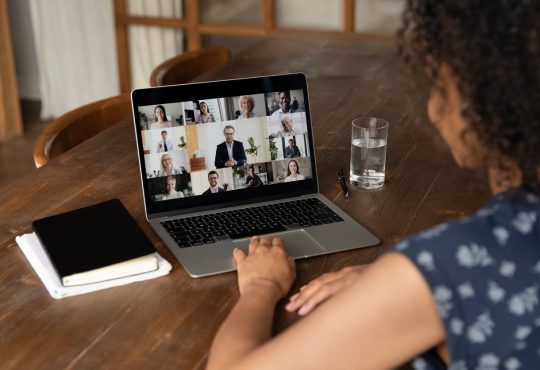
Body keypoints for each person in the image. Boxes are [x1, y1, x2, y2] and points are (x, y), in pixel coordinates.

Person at [206, 1, 540, 369]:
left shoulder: (450, 263)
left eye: (443, 88)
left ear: (498, 101)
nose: (432, 109)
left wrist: (261, 287)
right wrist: (395, 289)